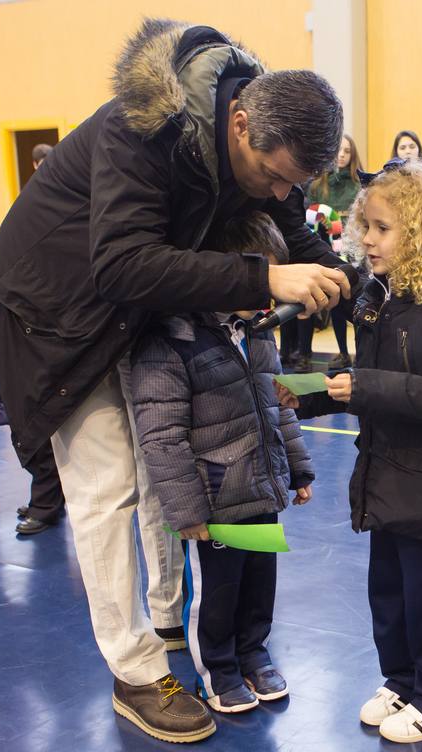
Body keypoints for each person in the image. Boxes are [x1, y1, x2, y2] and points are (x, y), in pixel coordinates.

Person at [0, 18, 355, 744]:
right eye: (274, 175)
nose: (280, 191)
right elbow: (119, 264)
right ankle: (135, 671)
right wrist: (263, 275)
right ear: (239, 122)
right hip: (52, 316)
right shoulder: (140, 131)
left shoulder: (265, 143)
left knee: (154, 477)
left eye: (294, 183)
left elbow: (291, 226)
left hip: (131, 311)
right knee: (107, 488)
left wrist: (350, 280)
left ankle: (167, 619)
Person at [281, 159, 422, 743]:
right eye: (364, 226)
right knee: (390, 599)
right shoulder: (383, 301)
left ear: (421, 235)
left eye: (381, 229)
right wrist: (308, 397)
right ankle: (401, 681)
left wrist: (362, 386)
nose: (365, 240)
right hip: (387, 482)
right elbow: (366, 382)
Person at [130, 213, 315, 714]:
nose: (267, 294)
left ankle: (253, 651)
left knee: (259, 581)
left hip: (261, 484)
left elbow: (277, 405)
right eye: (259, 279)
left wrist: (297, 470)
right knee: (217, 591)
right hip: (213, 500)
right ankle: (218, 668)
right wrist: (186, 509)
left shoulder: (258, 332)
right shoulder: (170, 340)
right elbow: (161, 436)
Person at [306, 133, 362, 369]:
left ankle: (361, 352)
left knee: (355, 303)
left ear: (353, 156)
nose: (341, 155)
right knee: (334, 304)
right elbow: (309, 220)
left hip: (352, 252)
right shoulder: (318, 185)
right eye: (338, 150)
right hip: (322, 251)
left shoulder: (359, 185)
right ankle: (341, 351)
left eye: (347, 151)